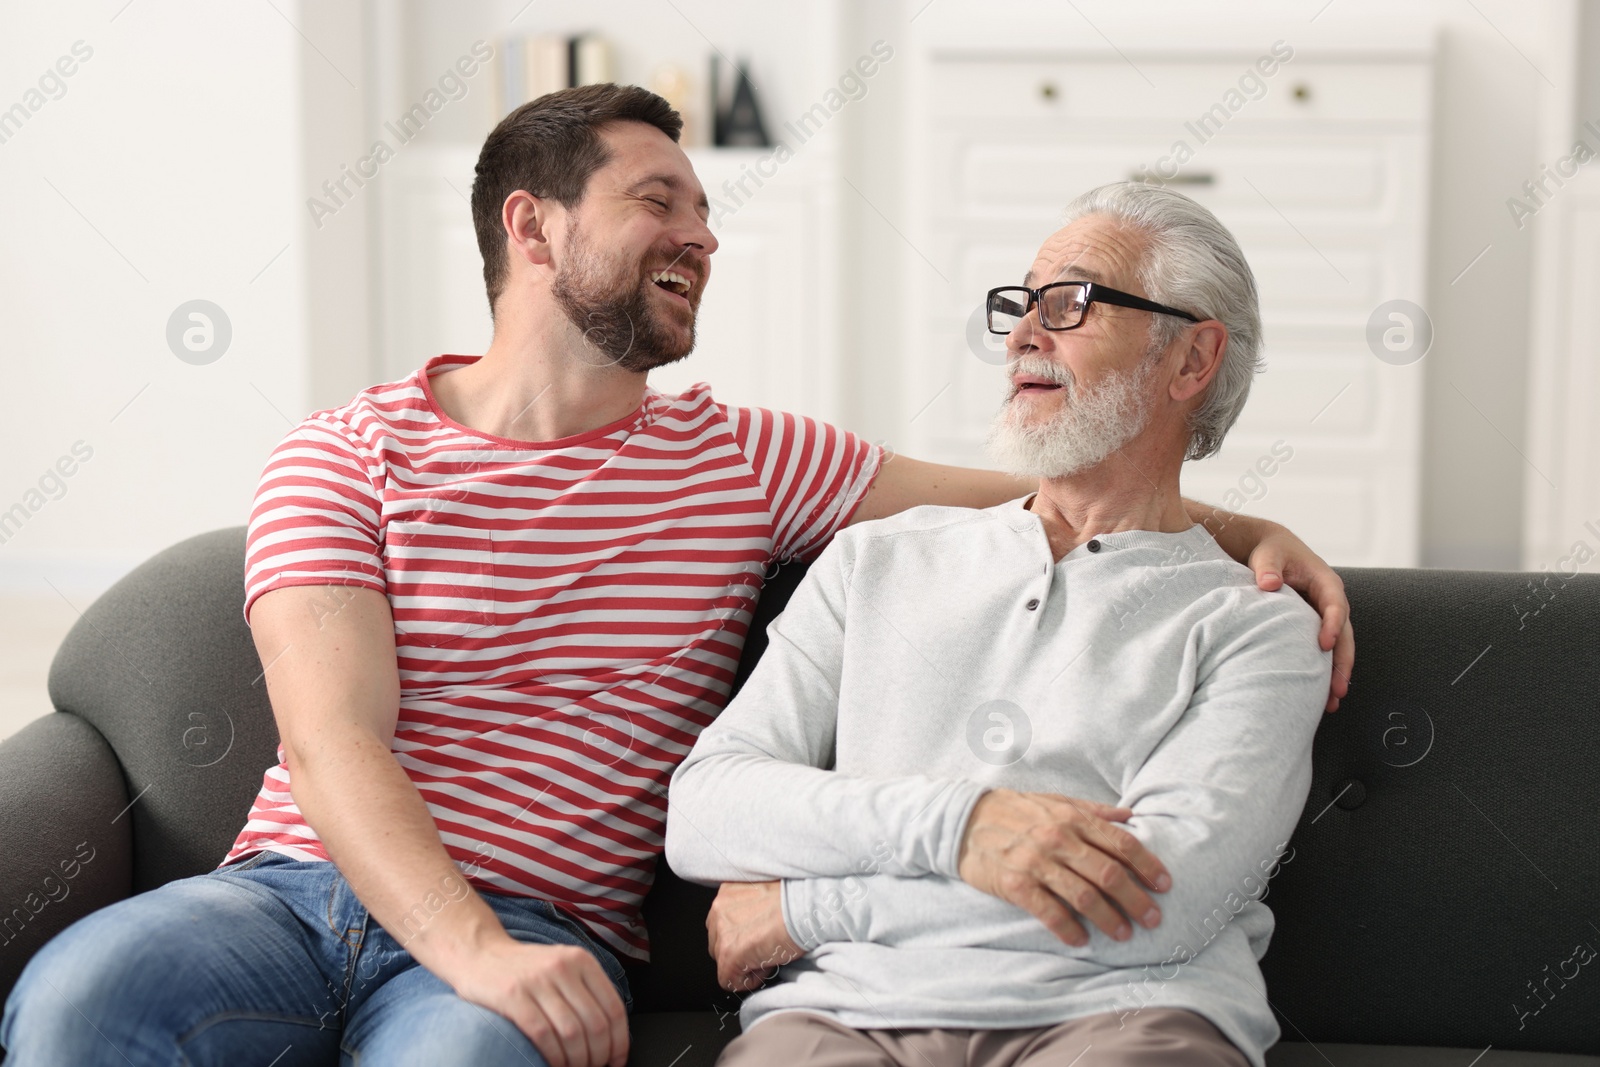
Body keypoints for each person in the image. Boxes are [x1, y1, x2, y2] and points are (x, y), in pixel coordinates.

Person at [1, 87, 1348, 1067]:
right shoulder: (342, 452)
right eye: (661, 201)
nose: (703, 235)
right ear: (531, 230)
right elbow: (331, 734)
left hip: (545, 918)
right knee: (75, 1003)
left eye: (708, 213)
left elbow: (1040, 487)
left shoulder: (752, 461)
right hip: (285, 896)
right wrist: (472, 949)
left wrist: (1243, 530)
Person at [666, 182, 1331, 1067]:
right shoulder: (875, 560)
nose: (1023, 332)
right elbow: (706, 808)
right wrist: (962, 823)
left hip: (1125, 1020)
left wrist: (807, 908)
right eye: (1021, 303)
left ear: (1191, 359)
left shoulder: (1258, 627)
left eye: (1072, 303)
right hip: (843, 1021)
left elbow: (1157, 906)